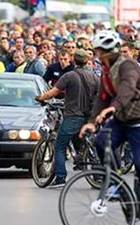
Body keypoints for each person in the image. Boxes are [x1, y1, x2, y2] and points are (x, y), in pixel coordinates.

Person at [79, 30, 140, 225]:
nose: (97, 54)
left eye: (99, 51)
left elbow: (127, 88)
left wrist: (114, 107)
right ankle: (116, 182)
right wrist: (92, 121)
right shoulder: (105, 69)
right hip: (122, 118)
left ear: (109, 51)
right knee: (101, 141)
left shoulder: (128, 65)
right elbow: (102, 97)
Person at [36, 49, 98, 186]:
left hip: (73, 115)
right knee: (88, 144)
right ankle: (97, 173)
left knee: (60, 146)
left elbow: (54, 91)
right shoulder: (94, 76)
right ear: (86, 61)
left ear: (73, 60)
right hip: (89, 116)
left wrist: (40, 98)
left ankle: (60, 178)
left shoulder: (70, 75)